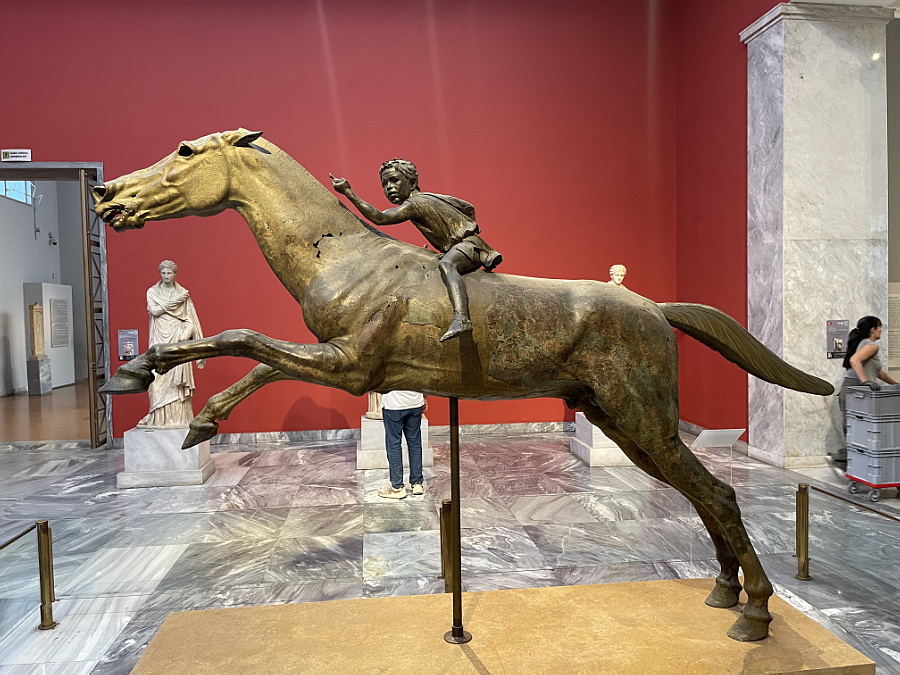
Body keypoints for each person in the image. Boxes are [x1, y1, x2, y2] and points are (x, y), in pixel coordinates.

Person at [330, 159, 502, 342]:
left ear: (412, 182)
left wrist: (348, 193)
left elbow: (380, 218)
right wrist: (464, 231)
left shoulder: (414, 204)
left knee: (447, 265)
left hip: (468, 245)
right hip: (465, 244)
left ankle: (462, 319)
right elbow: (468, 207)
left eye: (394, 180)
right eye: (385, 184)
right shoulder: (433, 197)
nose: (389, 188)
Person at [137, 260, 205, 428]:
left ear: (175, 274)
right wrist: (176, 301)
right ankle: (157, 416)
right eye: (163, 273)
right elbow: (155, 311)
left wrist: (185, 334)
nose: (166, 276)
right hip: (159, 340)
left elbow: (190, 320)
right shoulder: (153, 292)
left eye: (169, 273)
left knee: (176, 382)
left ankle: (179, 419)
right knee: (157, 380)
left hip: (177, 338)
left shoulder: (183, 293)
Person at [838, 316, 897, 455]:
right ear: (872, 329)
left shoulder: (863, 343)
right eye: (879, 328)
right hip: (856, 390)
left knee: (857, 426)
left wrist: (895, 384)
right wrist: (865, 382)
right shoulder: (871, 346)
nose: (881, 330)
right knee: (857, 426)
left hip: (851, 390)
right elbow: (854, 360)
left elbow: (877, 371)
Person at [377, 390, 427, 499]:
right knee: (415, 443)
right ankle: (417, 483)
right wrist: (424, 398)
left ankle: (397, 487)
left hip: (394, 404)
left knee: (393, 443)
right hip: (415, 402)